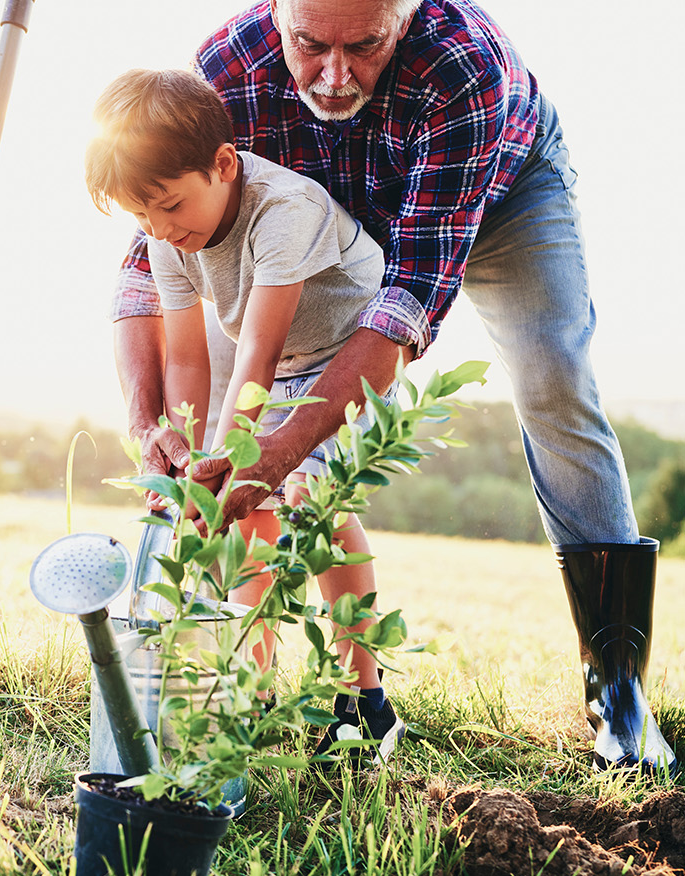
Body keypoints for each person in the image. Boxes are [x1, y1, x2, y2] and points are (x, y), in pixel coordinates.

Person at [109, 0, 672, 771]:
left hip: (496, 193)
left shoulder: (461, 66)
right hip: (314, 226)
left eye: (364, 45)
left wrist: (274, 455)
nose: (333, 77)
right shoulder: (226, 70)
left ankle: (617, 694)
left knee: (551, 376)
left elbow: (403, 301)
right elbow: (151, 264)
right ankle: (247, 680)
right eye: (308, 45)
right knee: (215, 438)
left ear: (403, 19)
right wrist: (154, 429)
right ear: (275, 15)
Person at [89, 68, 403, 761]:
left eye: (170, 205)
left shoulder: (281, 211)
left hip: (344, 351)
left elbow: (255, 353)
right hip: (276, 360)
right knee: (245, 514)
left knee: (306, 497)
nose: (161, 229)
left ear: (223, 165)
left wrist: (231, 458)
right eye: (143, 218)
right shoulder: (170, 236)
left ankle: (365, 701)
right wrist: (185, 452)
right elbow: (191, 361)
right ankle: (252, 690)